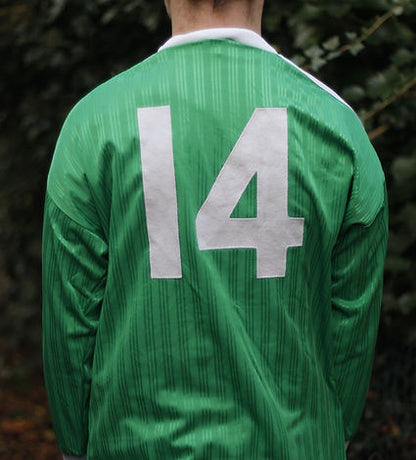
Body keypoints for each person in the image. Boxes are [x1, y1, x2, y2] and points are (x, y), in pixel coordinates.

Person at [42, 0, 388, 458]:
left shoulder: (92, 123)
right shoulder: (337, 124)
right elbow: (352, 324)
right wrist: (330, 433)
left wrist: (74, 443)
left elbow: (71, 320)